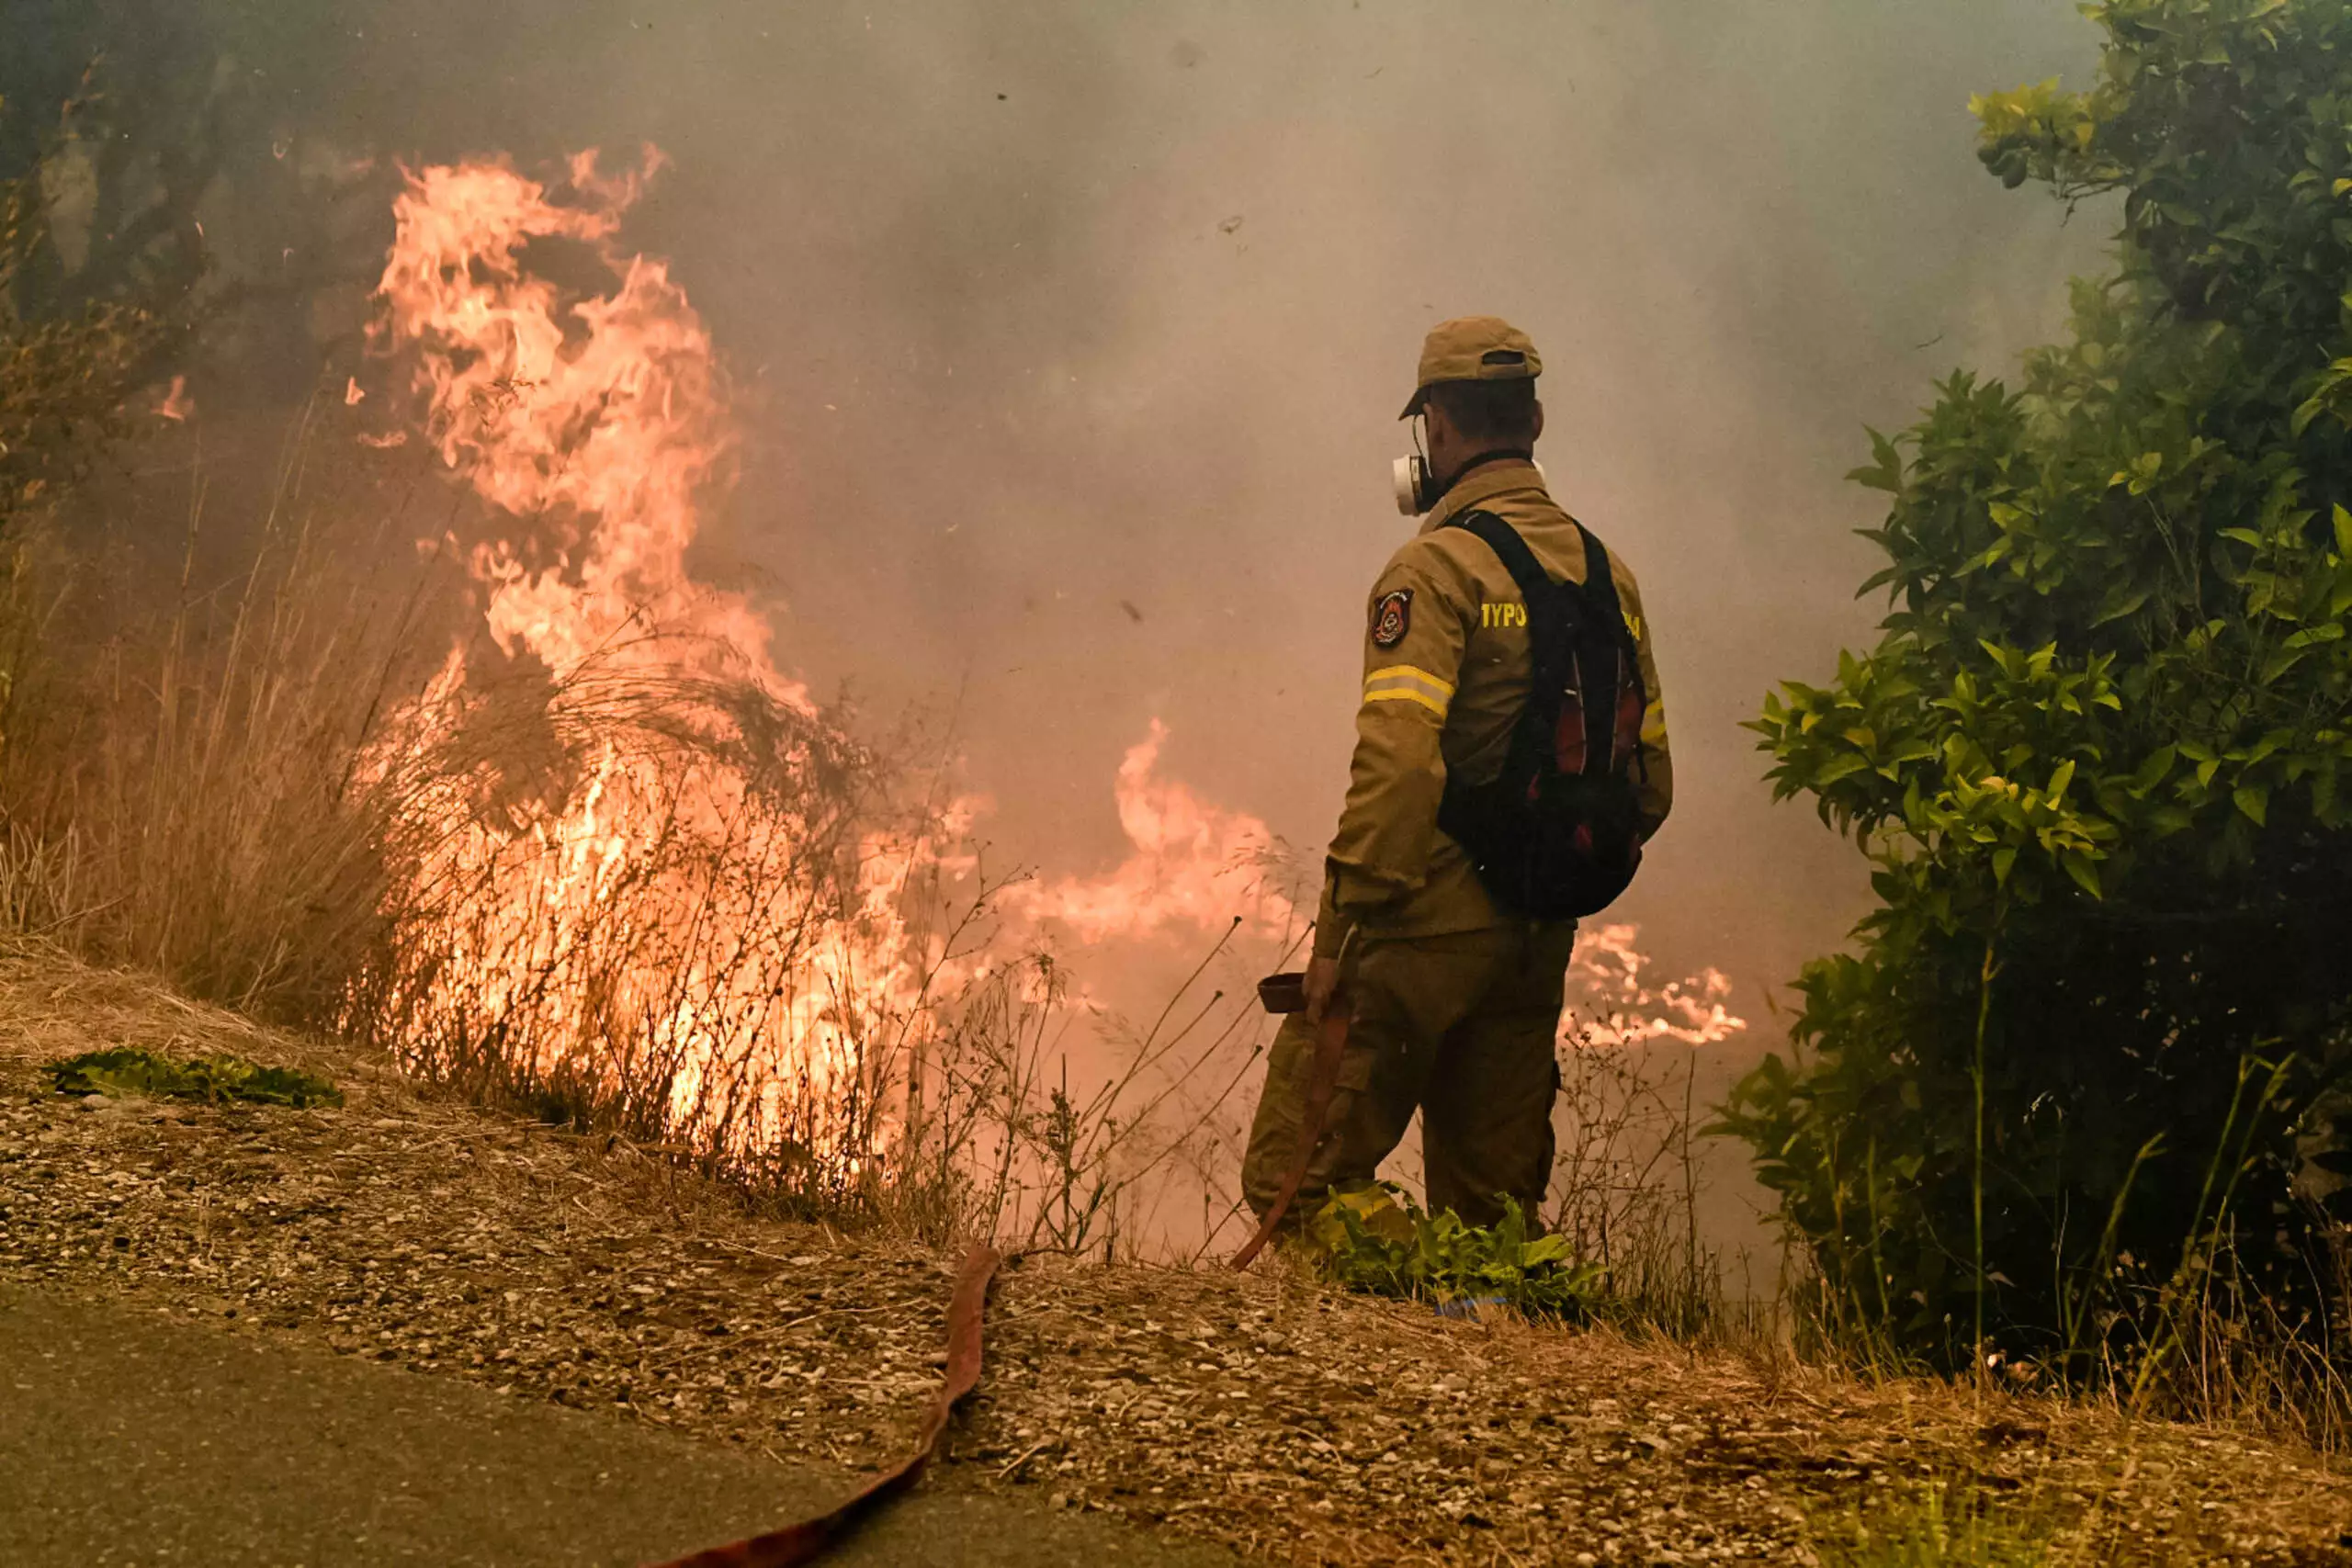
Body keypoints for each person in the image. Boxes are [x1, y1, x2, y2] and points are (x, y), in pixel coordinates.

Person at [1239, 315, 1673, 1231]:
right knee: (1494, 1220)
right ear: (1536, 421)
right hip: (1536, 933)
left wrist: (1340, 930)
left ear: (1434, 425)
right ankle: (1488, 1356)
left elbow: (1398, 763)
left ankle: (1369, 1346)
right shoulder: (1609, 575)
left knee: (1297, 1188)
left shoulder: (1433, 570)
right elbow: (1653, 781)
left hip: (1419, 925)